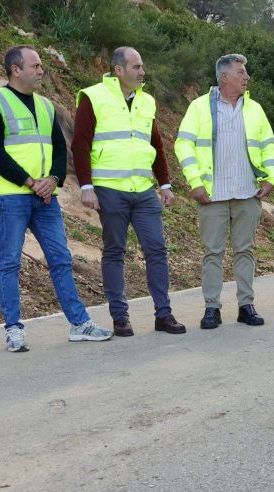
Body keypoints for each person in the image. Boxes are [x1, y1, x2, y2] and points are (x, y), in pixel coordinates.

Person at [0, 45, 113, 353]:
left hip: (46, 198)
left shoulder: (46, 106)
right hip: (11, 197)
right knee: (9, 263)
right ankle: (13, 330)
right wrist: (28, 181)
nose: (41, 71)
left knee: (61, 259)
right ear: (16, 70)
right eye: (36, 66)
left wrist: (53, 180)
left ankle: (79, 324)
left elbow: (60, 148)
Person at [73, 46, 186, 336]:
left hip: (144, 191)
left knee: (157, 249)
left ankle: (164, 314)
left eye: (142, 66)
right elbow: (80, 144)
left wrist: (164, 183)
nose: (142, 71)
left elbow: (156, 145)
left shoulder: (147, 101)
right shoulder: (93, 97)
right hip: (110, 189)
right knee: (115, 251)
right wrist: (86, 186)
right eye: (136, 66)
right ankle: (120, 317)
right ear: (119, 70)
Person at [175, 54, 274, 330]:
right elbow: (183, 146)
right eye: (241, 72)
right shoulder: (199, 108)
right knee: (213, 253)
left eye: (245, 72)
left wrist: (272, 178)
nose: (246, 77)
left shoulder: (254, 109)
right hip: (213, 195)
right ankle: (212, 308)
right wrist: (194, 182)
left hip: (247, 193)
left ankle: (246, 306)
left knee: (245, 250)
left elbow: (269, 146)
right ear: (224, 77)